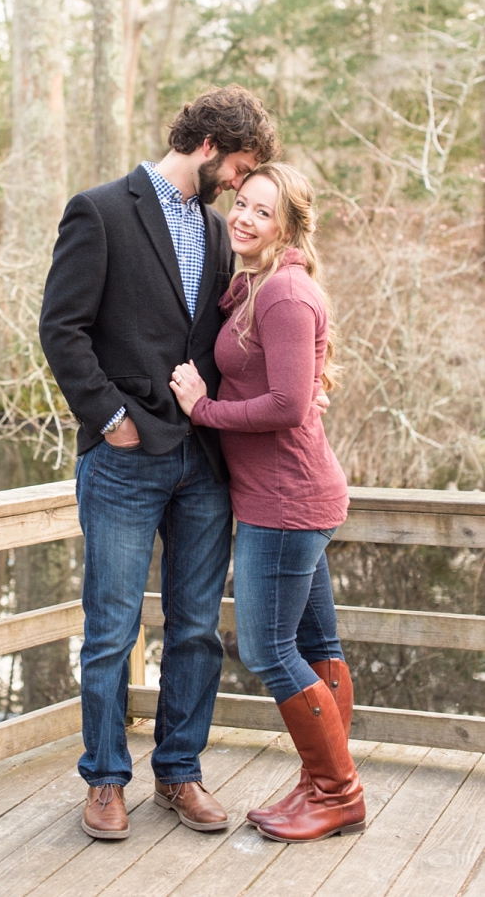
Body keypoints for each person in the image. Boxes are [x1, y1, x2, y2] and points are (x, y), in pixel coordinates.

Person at [40, 85, 279, 840]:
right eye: (238, 168)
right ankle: (106, 780)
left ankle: (179, 771)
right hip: (124, 459)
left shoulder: (216, 232)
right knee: (111, 628)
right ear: (207, 146)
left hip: (202, 463)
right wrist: (111, 421)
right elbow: (62, 329)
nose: (240, 187)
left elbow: (226, 332)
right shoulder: (100, 210)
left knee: (197, 629)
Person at [169, 162, 363, 842]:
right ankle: (324, 782)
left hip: (285, 501)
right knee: (315, 643)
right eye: (241, 204)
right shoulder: (258, 286)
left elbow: (285, 405)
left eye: (262, 210)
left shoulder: (282, 293)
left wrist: (205, 409)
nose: (244, 217)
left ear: (285, 225)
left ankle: (337, 790)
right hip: (292, 495)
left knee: (267, 646)